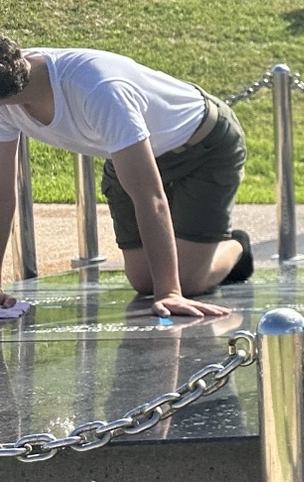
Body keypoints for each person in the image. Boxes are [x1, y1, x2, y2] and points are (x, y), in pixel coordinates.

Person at [0, 37, 252, 317]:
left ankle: (237, 245)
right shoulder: (6, 100)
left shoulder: (98, 89)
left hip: (201, 146)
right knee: (143, 281)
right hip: (128, 152)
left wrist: (170, 293)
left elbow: (149, 196)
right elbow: (2, 196)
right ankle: (193, 254)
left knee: (187, 281)